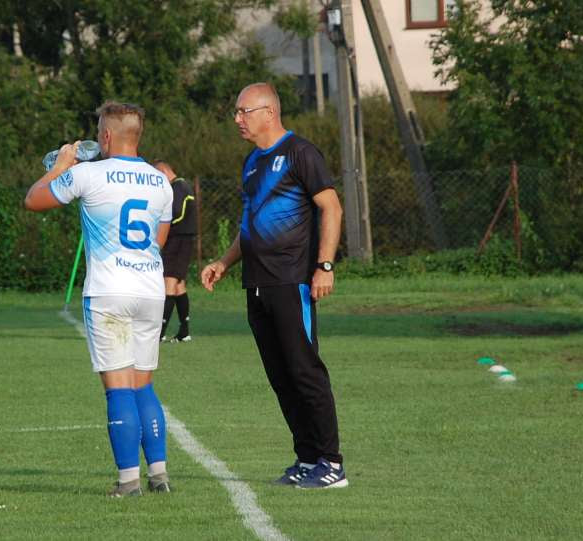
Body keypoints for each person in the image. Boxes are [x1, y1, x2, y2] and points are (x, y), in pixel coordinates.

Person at [200, 82, 347, 489]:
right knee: (280, 376)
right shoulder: (251, 162)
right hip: (258, 284)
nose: (237, 119)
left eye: (243, 111)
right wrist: (224, 262)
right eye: (236, 111)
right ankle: (306, 458)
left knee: (305, 372)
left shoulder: (301, 153)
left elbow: (331, 207)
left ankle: (332, 463)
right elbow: (250, 224)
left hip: (291, 281)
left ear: (269, 112)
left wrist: (325, 266)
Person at [24, 101, 174, 497]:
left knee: (118, 388)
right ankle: (159, 474)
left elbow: (34, 199)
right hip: (149, 290)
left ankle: (128, 482)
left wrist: (59, 166)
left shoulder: (88, 174)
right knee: (144, 385)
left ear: (105, 136)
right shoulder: (162, 182)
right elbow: (159, 241)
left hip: (109, 291)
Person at [153, 160, 197, 343]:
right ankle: (184, 331)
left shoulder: (179, 187)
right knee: (178, 286)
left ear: (164, 172)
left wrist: (160, 223)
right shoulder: (178, 187)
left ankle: (159, 332)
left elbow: (176, 213)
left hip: (179, 240)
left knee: (168, 284)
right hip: (179, 241)